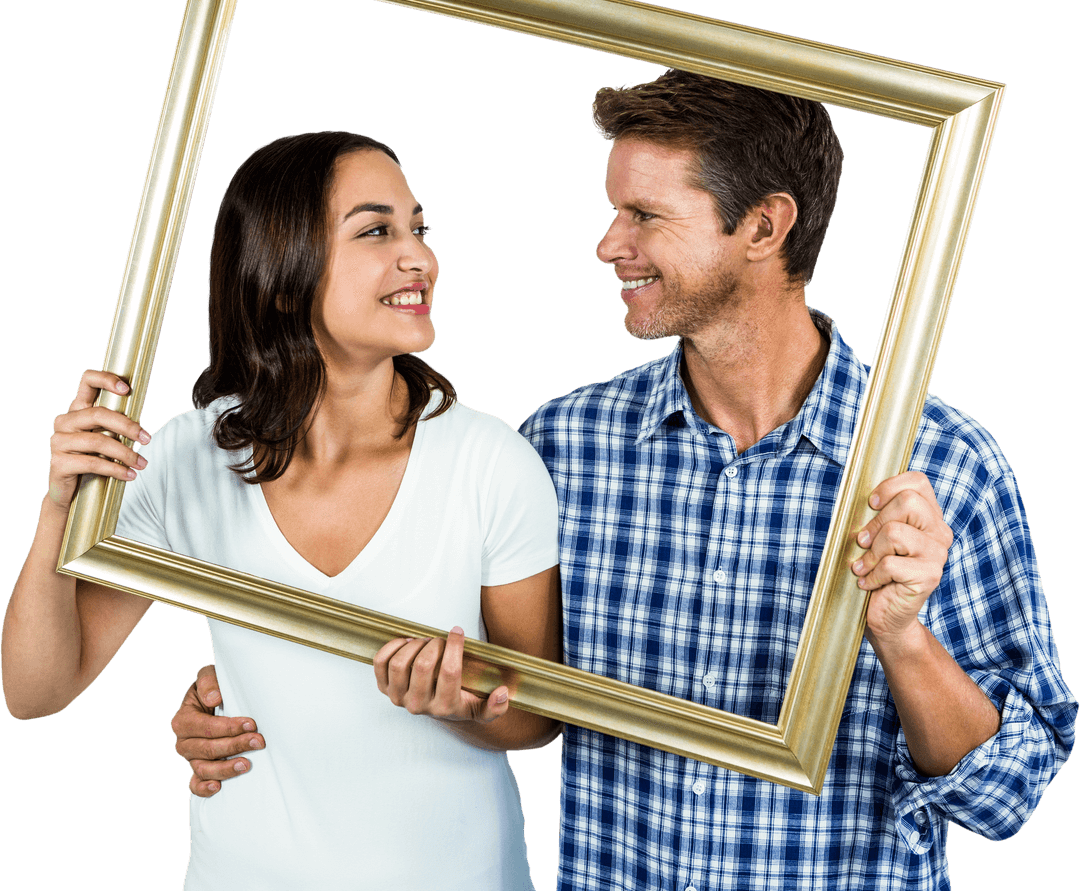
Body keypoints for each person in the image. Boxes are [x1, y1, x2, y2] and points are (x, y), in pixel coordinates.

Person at [172, 75, 1076, 889]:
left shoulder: (942, 465)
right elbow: (498, 675)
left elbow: (1011, 797)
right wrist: (249, 695)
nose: (609, 244)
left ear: (764, 227)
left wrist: (903, 636)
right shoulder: (566, 444)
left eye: (645, 215)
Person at [1, 131, 562, 890]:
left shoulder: (491, 462)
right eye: (376, 230)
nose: (420, 257)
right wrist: (56, 508)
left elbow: (541, 712)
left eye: (418, 228)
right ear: (283, 273)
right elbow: (36, 690)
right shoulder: (187, 458)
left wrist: (458, 704)